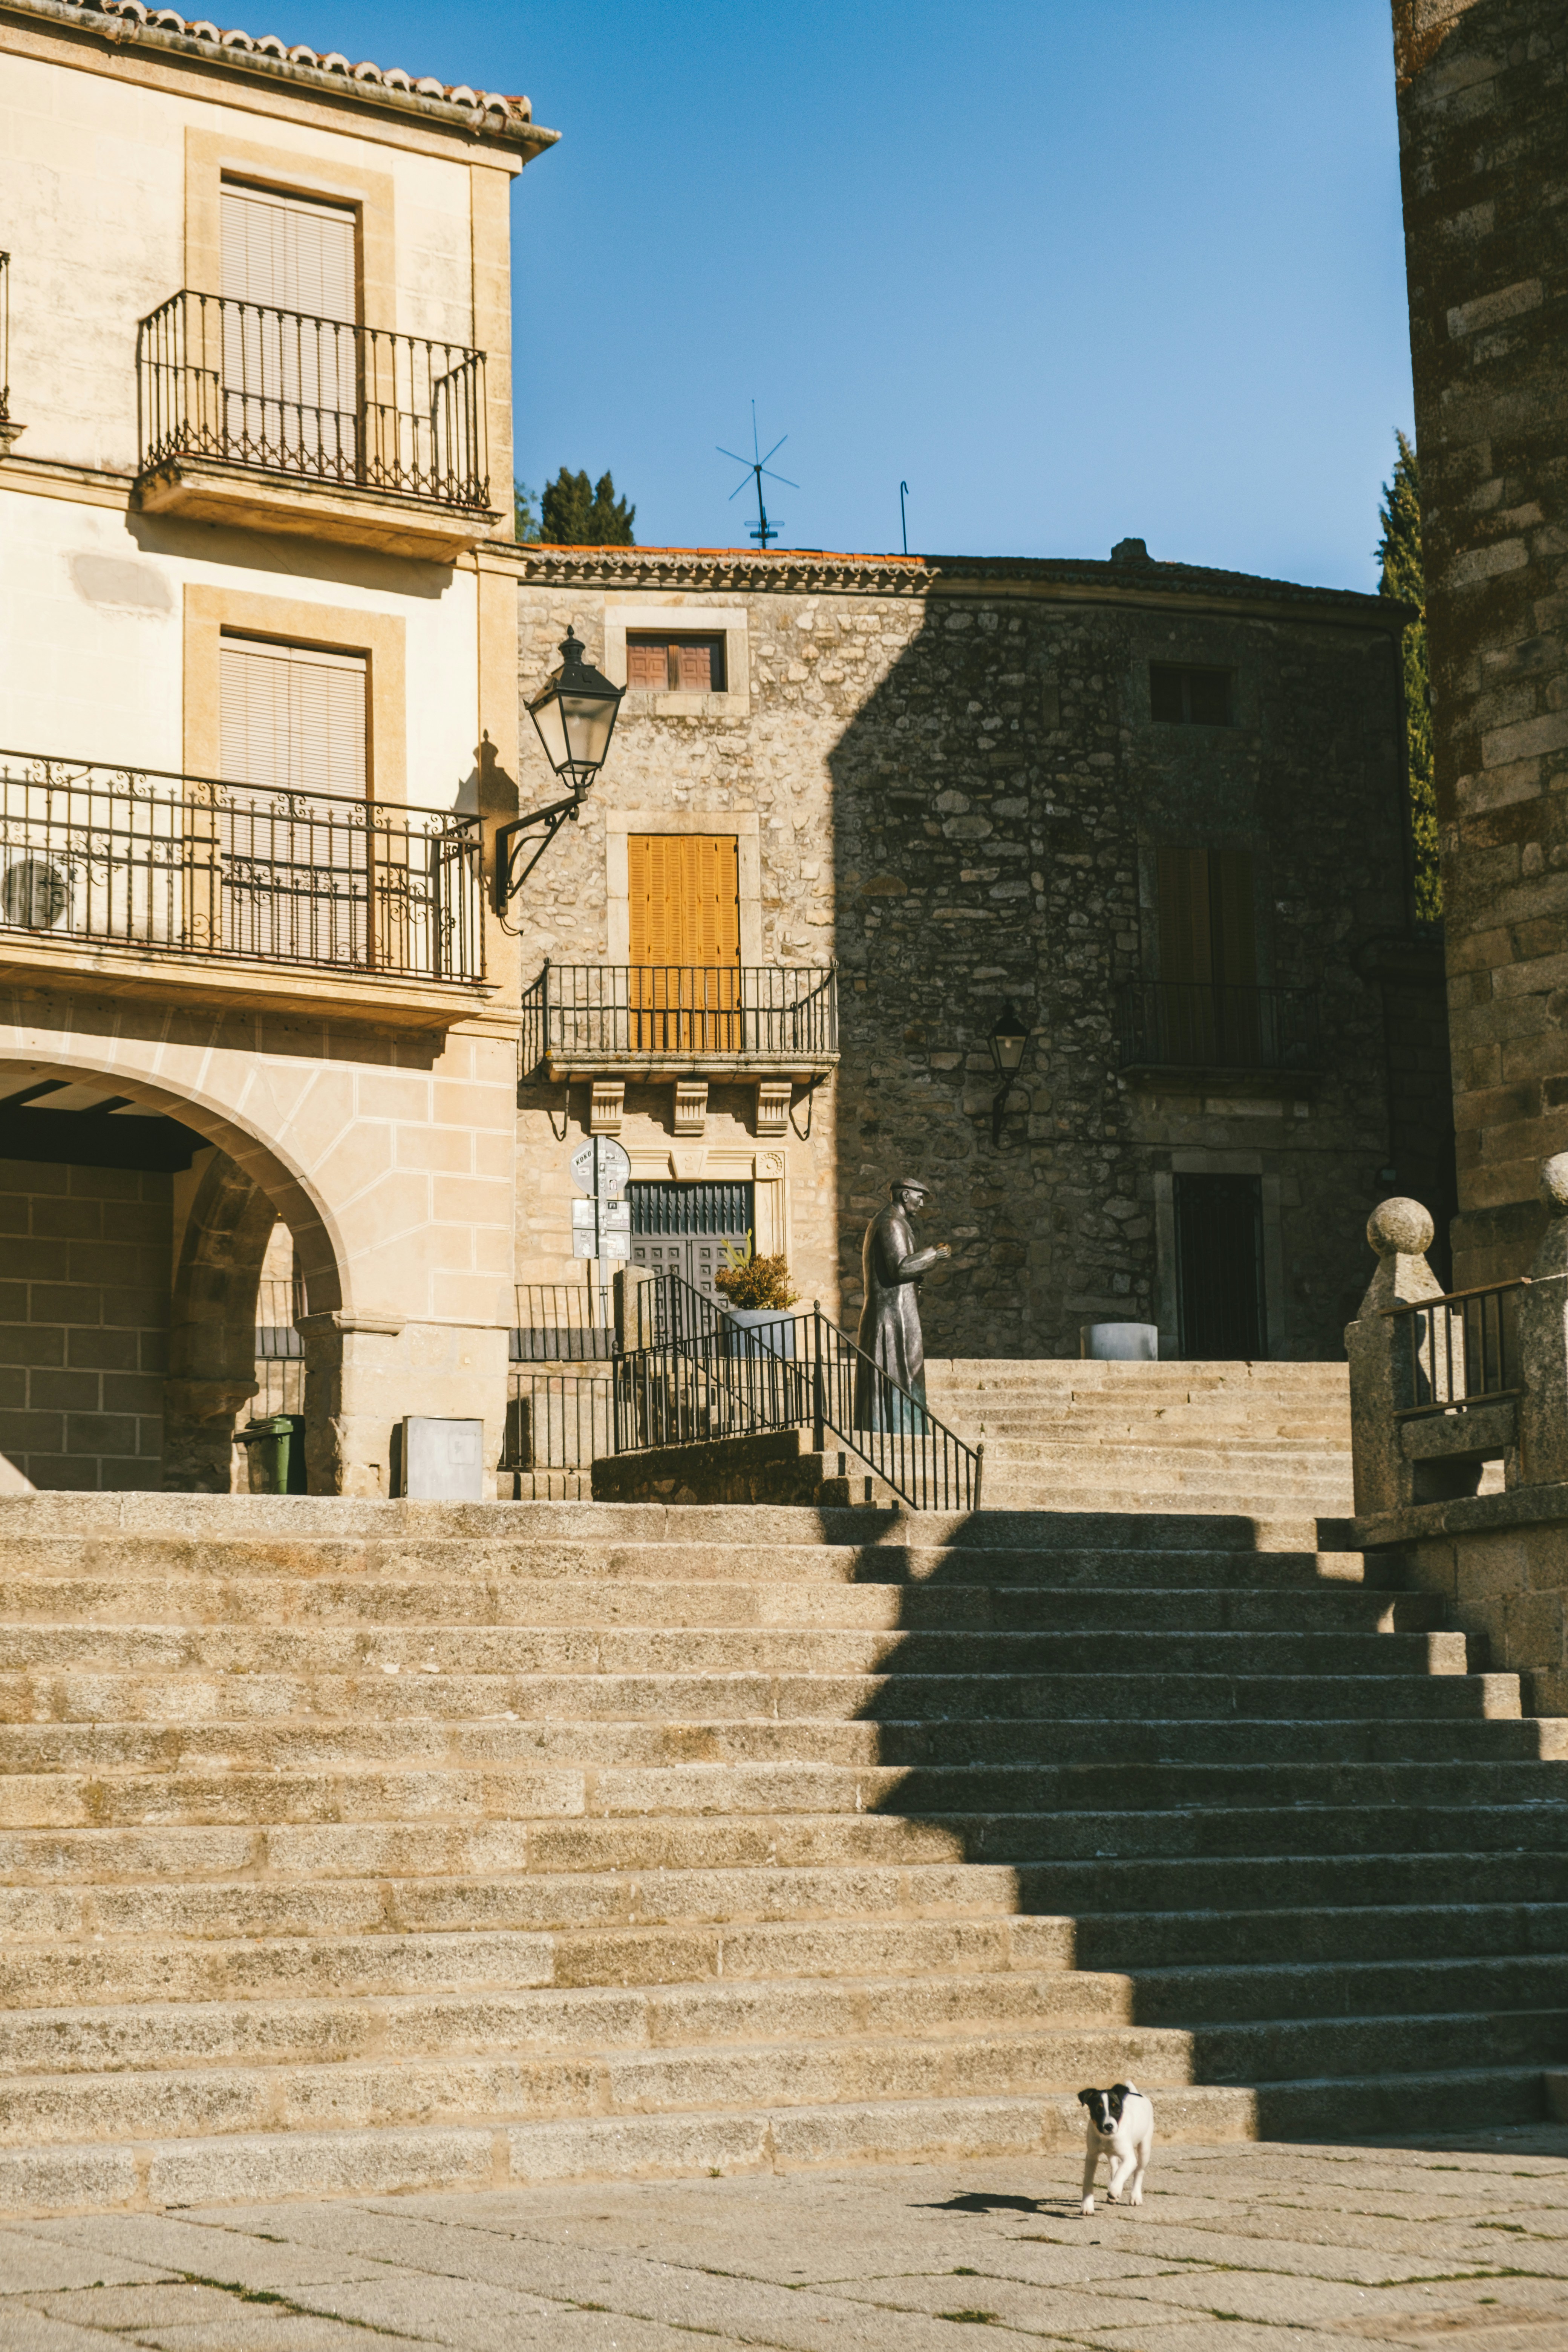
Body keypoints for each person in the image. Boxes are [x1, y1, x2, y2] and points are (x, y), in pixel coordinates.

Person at [853, 1176, 951, 1431]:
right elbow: (899, 1268)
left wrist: (916, 1284)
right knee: (902, 1373)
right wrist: (933, 1255)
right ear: (905, 1196)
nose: (921, 1205)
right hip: (892, 1317)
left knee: (906, 1373)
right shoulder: (891, 1224)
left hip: (897, 1313)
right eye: (919, 1199)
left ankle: (906, 1427)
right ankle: (899, 1428)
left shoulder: (897, 1222)